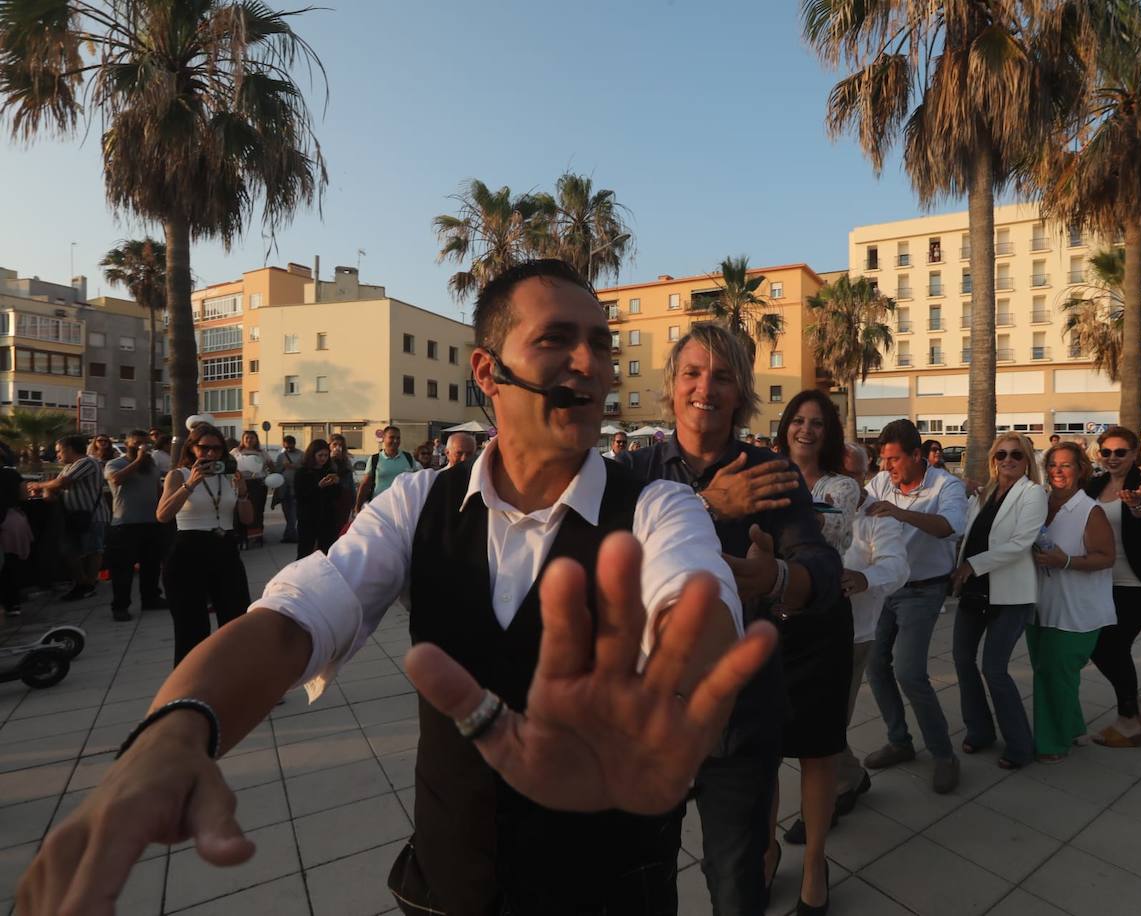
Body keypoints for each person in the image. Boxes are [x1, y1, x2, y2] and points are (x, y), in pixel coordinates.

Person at [16, 259, 776, 916]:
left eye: (600, 344)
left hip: (611, 886)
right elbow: (295, 615)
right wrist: (175, 732)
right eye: (556, 339)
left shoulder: (656, 504)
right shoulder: (418, 503)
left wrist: (680, 683)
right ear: (487, 371)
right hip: (451, 882)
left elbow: (696, 601)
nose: (590, 362)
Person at [629, 322, 841, 916]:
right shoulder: (632, 474)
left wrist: (776, 579)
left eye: (722, 377)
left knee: (736, 882)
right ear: (671, 387)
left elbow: (821, 567)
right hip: (650, 716)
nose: (706, 388)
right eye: (693, 374)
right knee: (643, 878)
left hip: (742, 720)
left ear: (741, 392)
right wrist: (707, 506)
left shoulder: (771, 471)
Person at [769, 390, 857, 912]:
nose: (806, 430)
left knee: (818, 750)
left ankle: (815, 863)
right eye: (798, 421)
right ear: (785, 426)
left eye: (817, 424)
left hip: (822, 621)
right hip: (769, 621)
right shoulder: (764, 472)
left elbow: (833, 532)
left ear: (829, 433)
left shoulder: (841, 486)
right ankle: (764, 850)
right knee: (764, 748)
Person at [862, 418, 965, 793]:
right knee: (875, 665)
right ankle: (899, 741)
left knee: (908, 671)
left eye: (892, 459)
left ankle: (943, 755)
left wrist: (900, 512)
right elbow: (861, 509)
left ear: (917, 455)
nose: (886, 467)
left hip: (923, 589)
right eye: (882, 459)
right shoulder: (880, 482)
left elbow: (951, 527)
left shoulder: (945, 485)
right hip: (884, 588)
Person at [950, 433, 1045, 770]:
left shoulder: (1032, 494)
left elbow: (1021, 544)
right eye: (1001, 454)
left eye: (1016, 455)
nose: (1008, 460)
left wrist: (972, 565)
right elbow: (968, 532)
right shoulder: (985, 493)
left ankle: (1020, 743)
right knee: (962, 659)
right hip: (975, 591)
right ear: (993, 459)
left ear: (1027, 460)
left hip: (1010, 595)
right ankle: (979, 730)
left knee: (994, 668)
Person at [1082, 427, 1141, 747]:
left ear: (1134, 454)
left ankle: (1129, 722)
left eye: (1120, 452)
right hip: (1102, 579)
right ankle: (1139, 707)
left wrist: (1136, 506)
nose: (1112, 458)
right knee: (1100, 646)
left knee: (1114, 646)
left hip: (1139, 581)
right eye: (1106, 452)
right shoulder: (1094, 484)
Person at [831, 442, 906, 813]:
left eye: (853, 473)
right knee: (818, 716)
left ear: (867, 473)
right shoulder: (817, 506)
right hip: (808, 628)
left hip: (853, 634)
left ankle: (843, 785)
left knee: (832, 718)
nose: (846, 481)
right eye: (838, 472)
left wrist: (864, 578)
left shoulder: (878, 517)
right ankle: (849, 776)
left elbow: (897, 566)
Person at [1030, 442, 1115, 763]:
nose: (1058, 471)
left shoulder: (1089, 511)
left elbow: (1106, 558)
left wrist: (1065, 561)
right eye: (1053, 465)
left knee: (1053, 674)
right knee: (1053, 673)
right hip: (1040, 605)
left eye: (1066, 465)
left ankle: (1051, 743)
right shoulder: (1040, 504)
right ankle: (1074, 727)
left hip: (1076, 611)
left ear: (1081, 469)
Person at [156, 423, 252, 665]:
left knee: (236, 621)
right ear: (192, 448)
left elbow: (248, 519)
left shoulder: (229, 476)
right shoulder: (178, 475)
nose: (210, 454)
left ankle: (241, 680)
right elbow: (163, 515)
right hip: (188, 550)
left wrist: (242, 494)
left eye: (217, 449)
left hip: (225, 549)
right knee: (191, 628)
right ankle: (190, 689)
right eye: (204, 448)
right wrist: (191, 484)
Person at [26, 435, 110, 601]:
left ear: (70, 449)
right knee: (70, 551)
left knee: (93, 550)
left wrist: (38, 485)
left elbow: (62, 482)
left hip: (92, 516)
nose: (57, 455)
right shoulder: (69, 466)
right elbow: (55, 489)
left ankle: (88, 585)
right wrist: (46, 489)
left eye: (59, 451)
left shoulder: (87, 462)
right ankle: (83, 583)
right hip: (74, 517)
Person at [104, 429, 168, 622]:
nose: (142, 446)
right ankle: (120, 606)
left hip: (151, 522)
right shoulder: (115, 463)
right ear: (127, 444)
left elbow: (158, 489)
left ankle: (151, 598)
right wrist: (138, 460)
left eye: (145, 443)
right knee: (123, 568)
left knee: (151, 565)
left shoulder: (152, 465)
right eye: (137, 443)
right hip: (125, 524)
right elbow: (116, 479)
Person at [293, 439, 345, 559]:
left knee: (327, 551)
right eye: (320, 455)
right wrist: (318, 487)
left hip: (327, 518)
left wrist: (337, 484)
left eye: (326, 455)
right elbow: (301, 496)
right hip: (308, 518)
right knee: (305, 551)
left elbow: (336, 496)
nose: (323, 458)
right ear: (312, 455)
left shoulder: (329, 471)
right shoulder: (302, 472)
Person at [353, 426, 416, 512]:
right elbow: (365, 484)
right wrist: (358, 506)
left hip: (403, 507)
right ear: (384, 438)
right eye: (392, 437)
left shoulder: (408, 458)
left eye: (398, 438)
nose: (396, 441)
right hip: (379, 507)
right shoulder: (375, 459)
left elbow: (416, 482)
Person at [1, 465, 33, 618]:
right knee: (10, 563)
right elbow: (24, 496)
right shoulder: (11, 474)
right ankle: (13, 603)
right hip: (11, 521)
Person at [230, 430, 269, 548]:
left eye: (252, 438)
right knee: (239, 511)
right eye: (247, 437)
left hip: (257, 484)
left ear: (256, 439)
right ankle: (240, 537)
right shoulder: (235, 452)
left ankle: (255, 536)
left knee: (257, 510)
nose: (249, 440)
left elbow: (271, 465)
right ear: (242, 439)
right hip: (240, 483)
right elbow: (229, 465)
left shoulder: (261, 452)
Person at [274, 435, 305, 544]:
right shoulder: (281, 456)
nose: (288, 449)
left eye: (290, 447)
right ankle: (291, 534)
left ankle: (290, 535)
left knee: (293, 513)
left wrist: (294, 466)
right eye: (286, 447)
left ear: (294, 444)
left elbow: (305, 469)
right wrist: (283, 467)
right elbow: (276, 471)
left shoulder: (301, 455)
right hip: (283, 488)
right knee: (287, 513)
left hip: (296, 488)